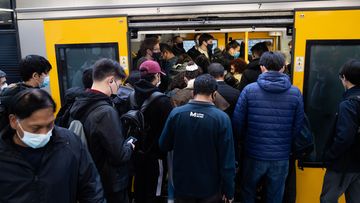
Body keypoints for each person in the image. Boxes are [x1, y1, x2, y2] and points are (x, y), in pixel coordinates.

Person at [0, 88, 105, 202]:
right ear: (14, 121)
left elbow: (91, 189)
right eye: (36, 128)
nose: (44, 133)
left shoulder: (70, 143)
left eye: (50, 125)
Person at [232, 51, 304, 203]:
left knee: (248, 191)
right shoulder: (295, 93)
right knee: (275, 195)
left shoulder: (249, 90)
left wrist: (245, 141)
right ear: (283, 68)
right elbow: (298, 126)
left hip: (253, 153)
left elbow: (238, 123)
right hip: (281, 155)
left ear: (262, 67)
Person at [159, 74, 235, 203]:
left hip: (182, 183)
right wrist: (229, 191)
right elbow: (227, 162)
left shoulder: (176, 113)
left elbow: (163, 145)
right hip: (210, 187)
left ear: (193, 92)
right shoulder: (222, 119)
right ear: (214, 94)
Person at [70, 58, 135, 203]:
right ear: (110, 80)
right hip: (111, 183)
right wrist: (131, 142)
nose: (119, 88)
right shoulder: (105, 112)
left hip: (92, 179)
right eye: (119, 84)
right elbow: (119, 155)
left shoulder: (79, 103)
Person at [132, 60, 173, 203]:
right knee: (154, 192)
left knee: (139, 188)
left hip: (135, 152)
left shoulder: (131, 96)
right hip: (156, 155)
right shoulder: (163, 101)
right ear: (156, 76)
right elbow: (169, 130)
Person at [320, 59, 360, 203]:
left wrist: (330, 155)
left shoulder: (348, 104)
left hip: (342, 165)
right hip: (357, 164)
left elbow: (345, 136)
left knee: (328, 199)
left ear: (344, 78)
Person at [0, 55, 52, 122]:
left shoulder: (12, 90)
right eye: (46, 73)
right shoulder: (34, 98)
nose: (48, 77)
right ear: (35, 76)